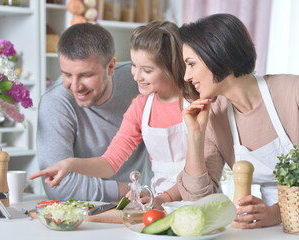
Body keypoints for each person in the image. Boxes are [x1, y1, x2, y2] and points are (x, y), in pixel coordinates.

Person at [30, 20, 198, 208]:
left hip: (195, 195)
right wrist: (70, 164)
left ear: (172, 66)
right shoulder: (141, 105)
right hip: (157, 201)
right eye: (134, 66)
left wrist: (162, 197)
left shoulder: (198, 102)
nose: (135, 76)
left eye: (147, 70)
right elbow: (110, 162)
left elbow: (203, 167)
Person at [177, 13, 299, 228]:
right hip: (268, 230)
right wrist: (196, 136)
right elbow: (198, 201)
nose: (186, 76)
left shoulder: (292, 92)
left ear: (218, 55)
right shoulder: (214, 116)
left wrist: (278, 213)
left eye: (191, 64)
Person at [34, 23, 152, 202]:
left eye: (85, 75)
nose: (75, 87)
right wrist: (134, 190)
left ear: (110, 66)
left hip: (150, 202)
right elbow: (58, 186)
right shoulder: (55, 103)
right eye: (66, 74)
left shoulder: (139, 80)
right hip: (92, 209)